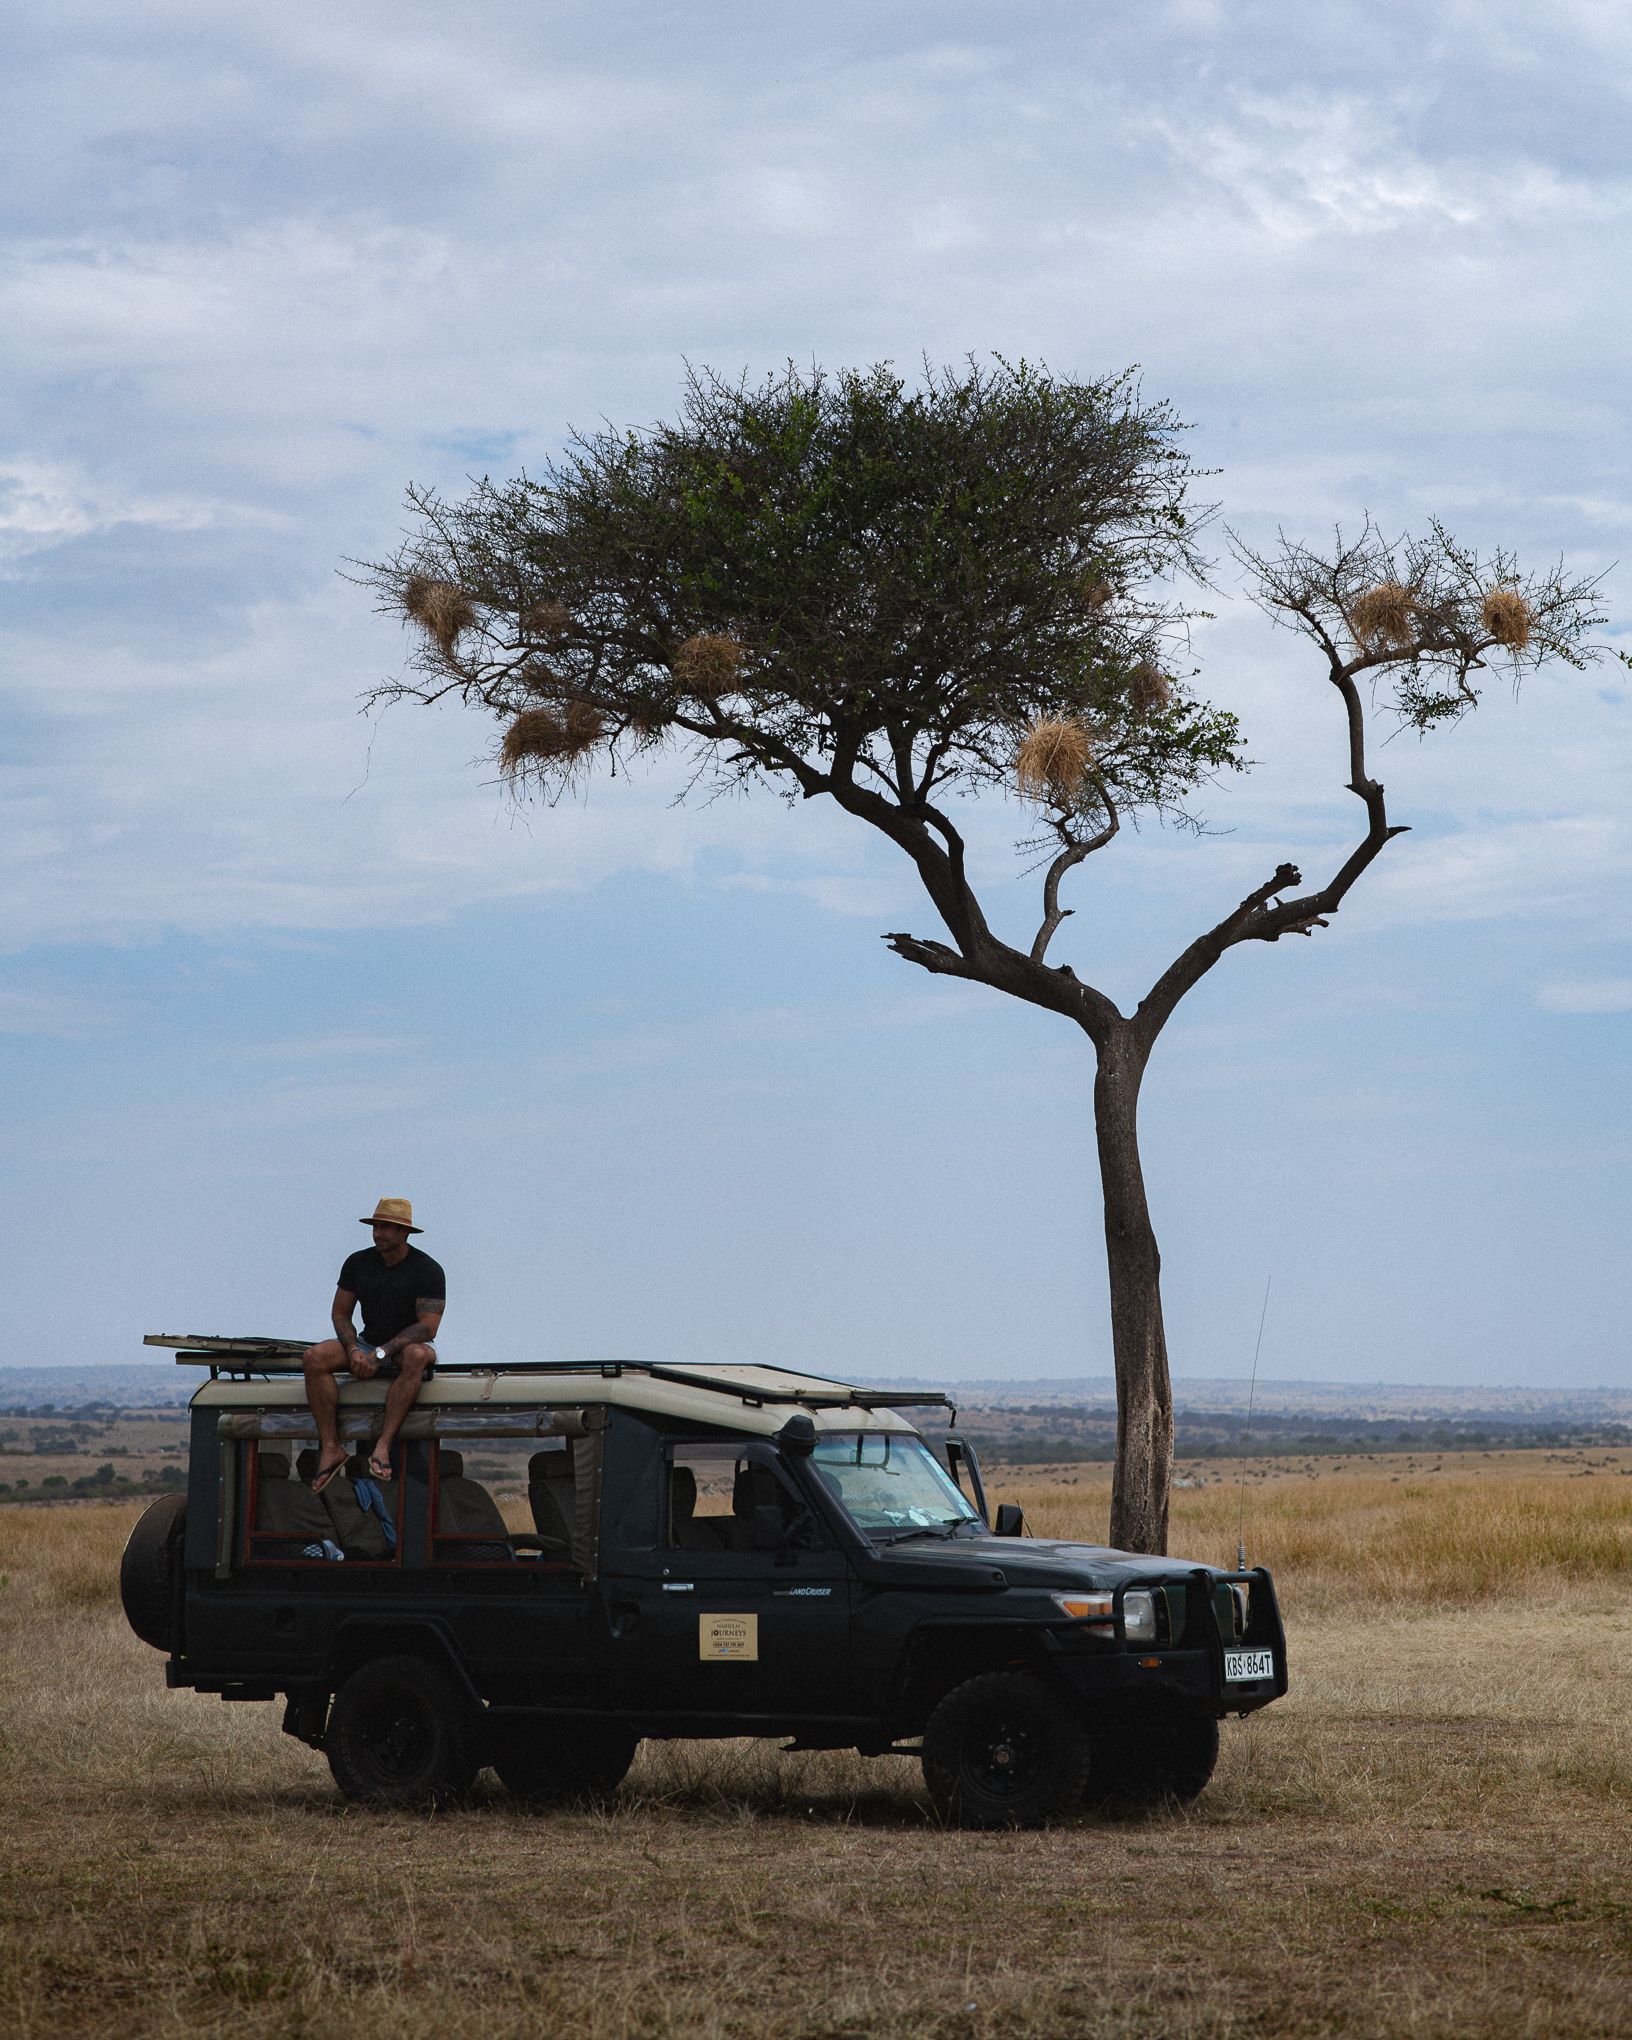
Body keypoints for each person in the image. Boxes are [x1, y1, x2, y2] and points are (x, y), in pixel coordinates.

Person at [302, 1198, 446, 1492]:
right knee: (314, 1357)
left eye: (387, 1228)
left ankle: (383, 1445)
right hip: (367, 1342)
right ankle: (331, 1447)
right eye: (376, 1226)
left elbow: (427, 1326)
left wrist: (380, 1354)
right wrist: (355, 1350)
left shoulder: (428, 1269)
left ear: (404, 1232)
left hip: (404, 1346)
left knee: (416, 1356)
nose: (379, 1233)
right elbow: (340, 1313)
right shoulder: (358, 1263)